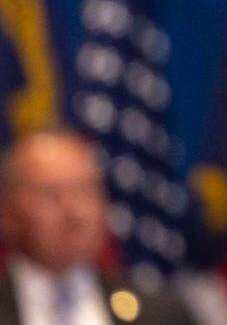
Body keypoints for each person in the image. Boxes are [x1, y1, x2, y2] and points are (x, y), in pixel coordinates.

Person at [0, 130, 195, 325]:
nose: (75, 213)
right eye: (50, 194)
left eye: (85, 191)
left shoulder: (160, 312)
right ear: (7, 211)